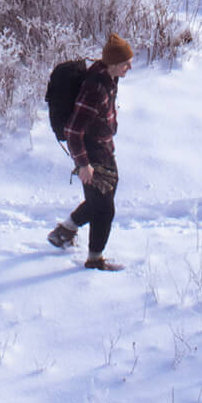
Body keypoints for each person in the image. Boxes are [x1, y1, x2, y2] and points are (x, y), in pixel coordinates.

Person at [47, 32, 133, 270]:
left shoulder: (108, 78)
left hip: (104, 150)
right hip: (92, 155)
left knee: (100, 202)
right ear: (114, 63)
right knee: (104, 209)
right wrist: (84, 165)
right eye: (126, 62)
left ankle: (63, 232)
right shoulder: (95, 88)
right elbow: (73, 130)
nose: (130, 66)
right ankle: (95, 261)